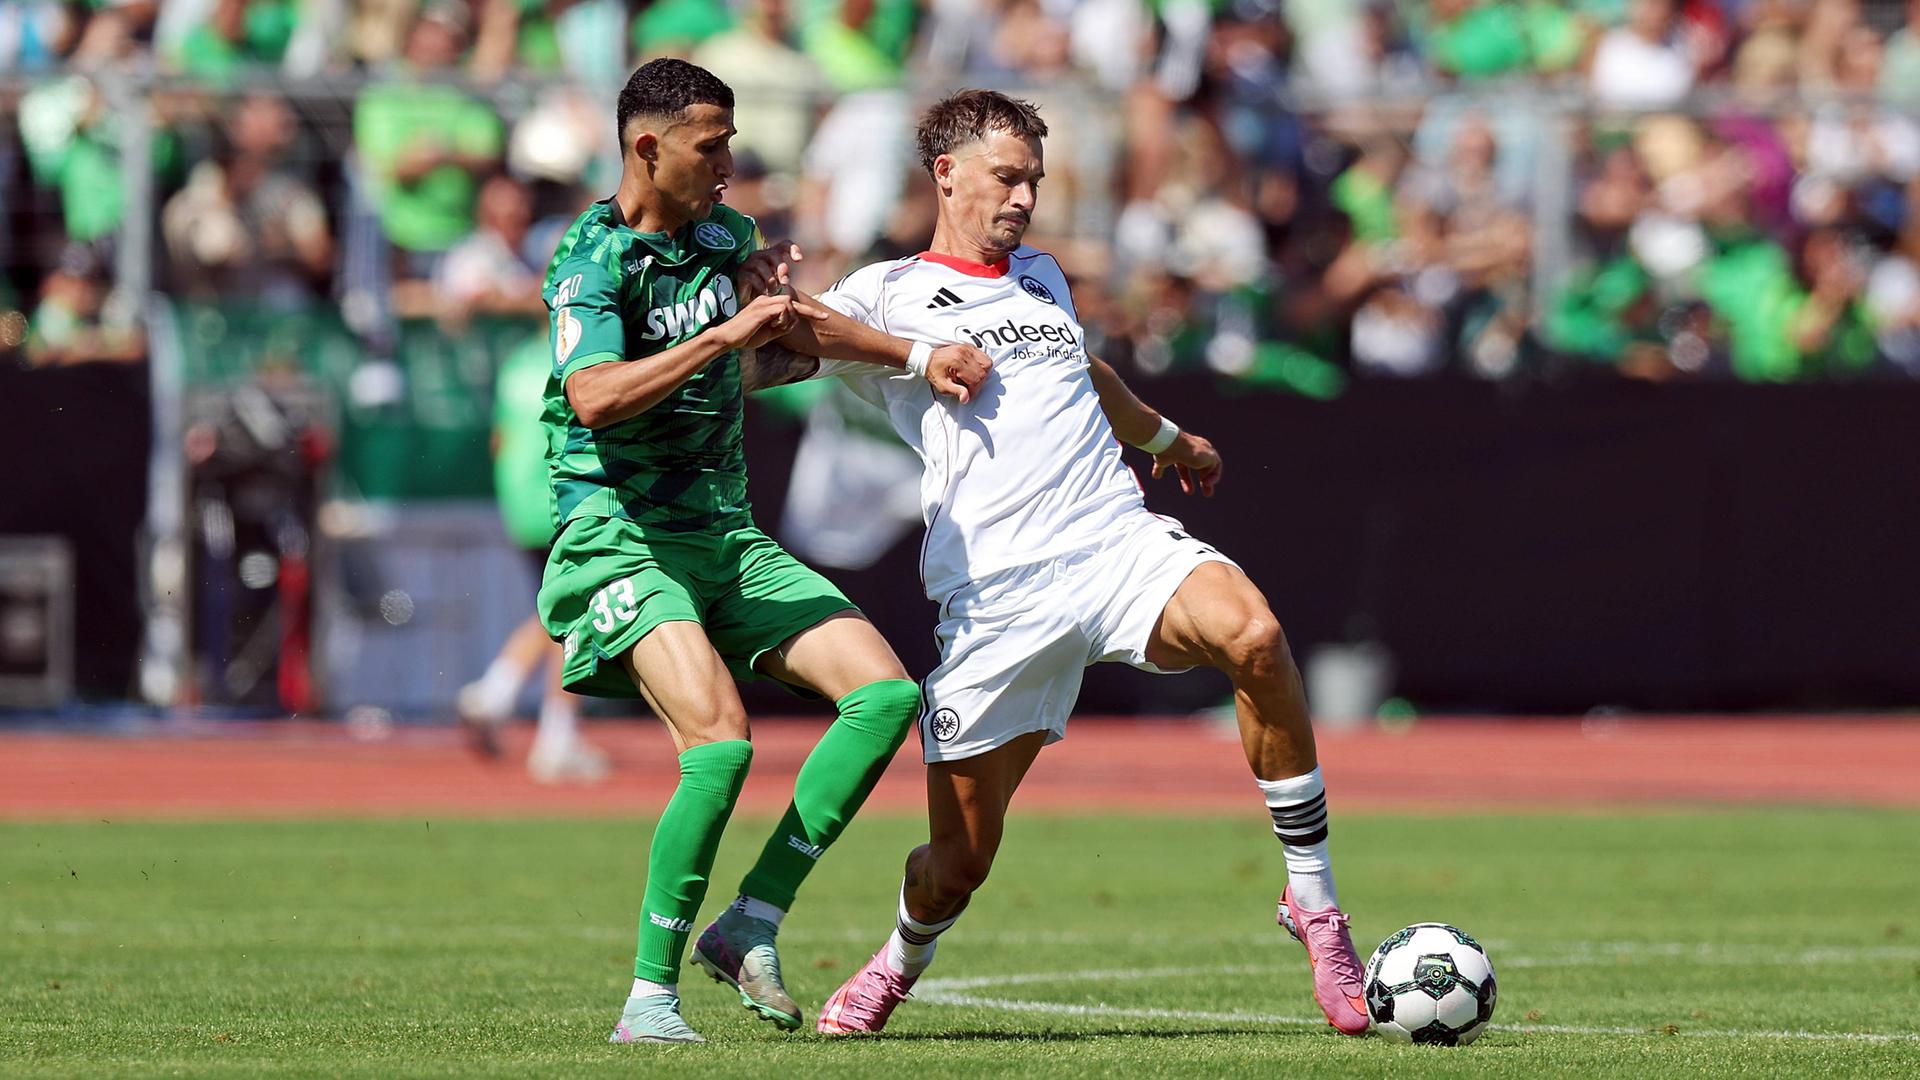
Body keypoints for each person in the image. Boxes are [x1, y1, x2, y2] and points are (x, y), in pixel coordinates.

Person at [740, 89, 1370, 1037]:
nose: (1026, 197)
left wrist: (1169, 438)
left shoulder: (1041, 273)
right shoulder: (887, 290)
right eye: (1008, 177)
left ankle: (1315, 908)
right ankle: (901, 957)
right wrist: (804, 309)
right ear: (946, 173)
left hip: (1111, 540)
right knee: (958, 864)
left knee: (1255, 633)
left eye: (1034, 179)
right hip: (995, 595)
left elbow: (1083, 371)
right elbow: (790, 335)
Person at [535, 58, 989, 1045]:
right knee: (721, 742)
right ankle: (648, 1002)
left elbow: (782, 344)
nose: (730, 164)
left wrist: (915, 357)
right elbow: (593, 396)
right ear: (646, 146)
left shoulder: (725, 238)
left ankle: (751, 918)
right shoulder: (590, 260)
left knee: (886, 698)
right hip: (617, 536)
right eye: (712, 145)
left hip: (725, 536)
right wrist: (722, 335)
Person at [455, 332, 607, 784]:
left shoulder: (518, 357)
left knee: (559, 610)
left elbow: (498, 440)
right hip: (563, 499)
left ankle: (496, 693)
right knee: (576, 615)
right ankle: (554, 738)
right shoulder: (588, 355)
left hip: (519, 503)